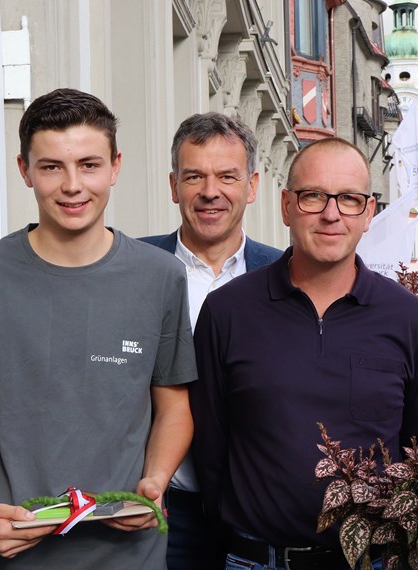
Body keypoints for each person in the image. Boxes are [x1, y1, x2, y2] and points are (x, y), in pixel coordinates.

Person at [0, 88, 196, 569]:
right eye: (51, 167)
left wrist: (154, 479)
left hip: (127, 554)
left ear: (115, 166)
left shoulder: (161, 277)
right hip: (9, 551)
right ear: (24, 170)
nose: (72, 185)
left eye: (89, 164)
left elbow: (174, 408)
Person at [190, 137, 418, 569]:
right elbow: (210, 446)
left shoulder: (410, 320)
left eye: (348, 199)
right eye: (314, 197)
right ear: (287, 205)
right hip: (255, 561)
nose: (331, 214)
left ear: (369, 212)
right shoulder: (227, 311)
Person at [140, 112, 282, 569]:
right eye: (194, 176)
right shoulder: (131, 269)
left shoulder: (288, 277)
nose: (209, 192)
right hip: (161, 508)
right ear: (173, 185)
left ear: (253, 185)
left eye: (227, 176)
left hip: (258, 514)